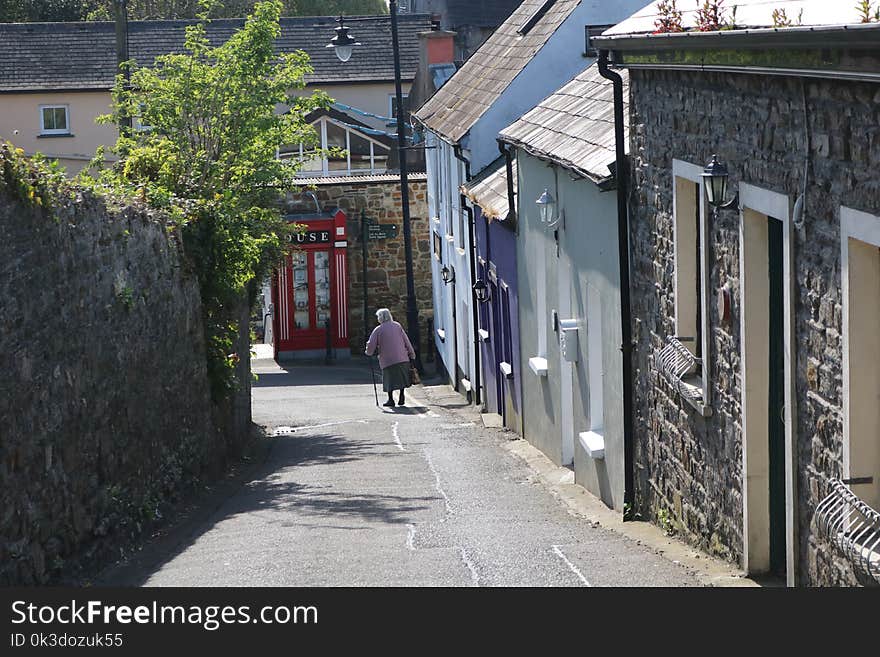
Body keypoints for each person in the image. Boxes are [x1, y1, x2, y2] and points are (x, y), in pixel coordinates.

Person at [365, 308, 416, 407]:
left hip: (387, 360)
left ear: (381, 318)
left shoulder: (378, 329)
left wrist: (368, 352)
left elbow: (371, 345)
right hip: (402, 357)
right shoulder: (397, 326)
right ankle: (401, 395)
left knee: (389, 380)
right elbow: (406, 341)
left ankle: (391, 399)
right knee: (402, 378)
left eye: (378, 317)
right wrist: (411, 353)